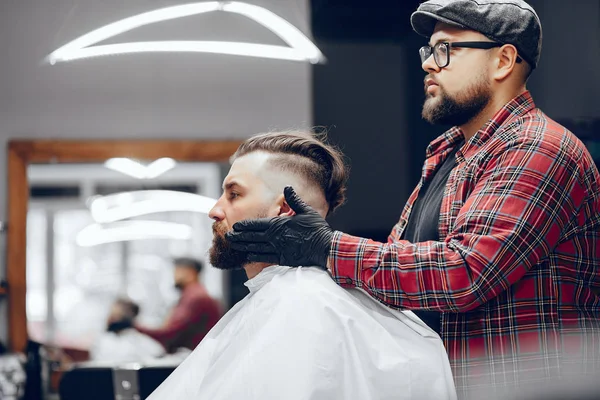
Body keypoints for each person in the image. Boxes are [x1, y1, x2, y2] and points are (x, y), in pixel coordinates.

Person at [226, 1, 600, 397]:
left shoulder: (537, 148)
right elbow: (396, 272)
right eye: (427, 51)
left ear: (503, 60)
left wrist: (327, 247)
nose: (427, 64)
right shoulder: (448, 155)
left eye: (445, 50)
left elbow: (466, 273)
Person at [146, 131, 457, 400]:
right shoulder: (302, 299)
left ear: (283, 208)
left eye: (234, 194)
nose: (215, 210)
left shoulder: (301, 305)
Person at [135, 258, 221, 353]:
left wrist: (134, 326)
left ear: (190, 273)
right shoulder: (192, 295)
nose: (174, 275)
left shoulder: (195, 297)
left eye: (177, 271)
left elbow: (169, 334)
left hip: (191, 357)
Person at [90, 298, 164, 363]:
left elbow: (158, 353)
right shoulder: (102, 341)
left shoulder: (139, 341)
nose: (110, 318)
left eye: (115, 315)